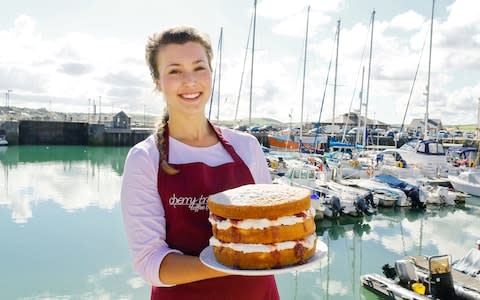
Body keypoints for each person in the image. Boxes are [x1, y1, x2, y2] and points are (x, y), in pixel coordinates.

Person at [120, 26, 279, 300]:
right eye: (174, 71)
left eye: (199, 67)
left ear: (211, 72)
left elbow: (269, 225)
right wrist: (235, 263)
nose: (190, 80)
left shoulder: (247, 147)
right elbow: (150, 263)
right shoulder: (145, 159)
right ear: (158, 81)